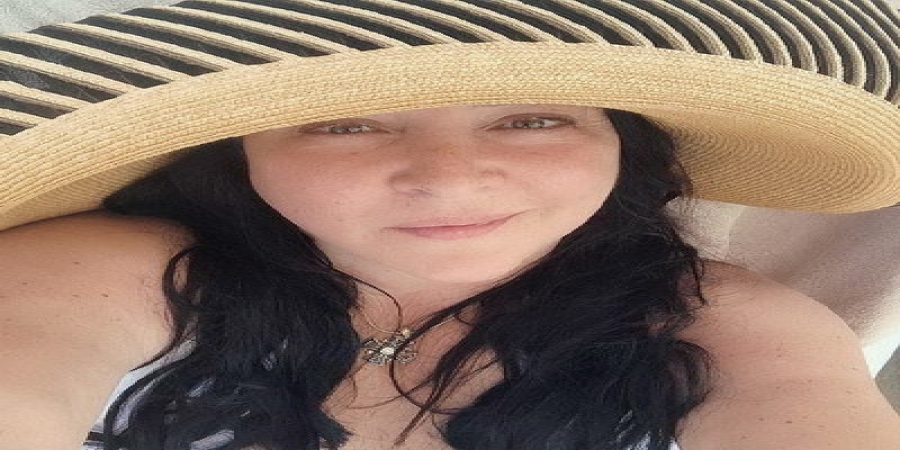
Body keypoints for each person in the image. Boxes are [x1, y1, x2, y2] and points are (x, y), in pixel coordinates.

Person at [0, 1, 898, 449]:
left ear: (624, 146)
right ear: (237, 154)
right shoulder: (113, 273)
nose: (447, 179)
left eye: (532, 118)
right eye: (345, 124)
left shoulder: (721, 325)